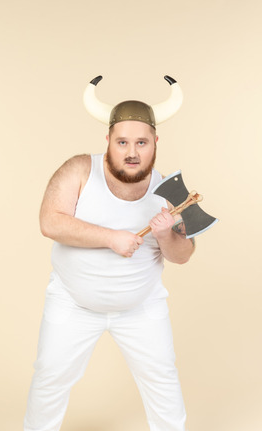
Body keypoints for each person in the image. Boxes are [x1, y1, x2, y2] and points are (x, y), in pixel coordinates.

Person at [24, 75, 194, 431]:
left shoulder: (172, 191)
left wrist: (166, 236)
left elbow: (182, 255)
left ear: (155, 143)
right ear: (108, 141)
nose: (132, 152)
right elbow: (49, 221)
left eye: (141, 142)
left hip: (142, 307)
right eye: (122, 142)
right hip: (72, 304)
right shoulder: (79, 170)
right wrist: (111, 237)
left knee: (163, 381)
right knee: (49, 379)